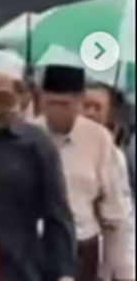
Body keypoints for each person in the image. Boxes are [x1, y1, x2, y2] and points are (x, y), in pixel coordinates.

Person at [0, 50, 76, 281]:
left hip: (18, 270)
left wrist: (64, 274)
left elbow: (57, 216)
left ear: (20, 98)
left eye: (1, 99)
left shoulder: (36, 146)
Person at [34, 65, 135, 281]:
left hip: (81, 249)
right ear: (41, 100)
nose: (58, 112)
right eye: (52, 104)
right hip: (33, 247)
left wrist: (117, 273)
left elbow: (116, 218)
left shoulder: (99, 140)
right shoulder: (26, 135)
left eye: (65, 105)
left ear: (79, 102)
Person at [82, 82, 136, 280]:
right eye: (85, 105)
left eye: (97, 108)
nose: (89, 113)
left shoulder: (114, 157)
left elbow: (123, 220)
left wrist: (127, 274)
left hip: (98, 259)